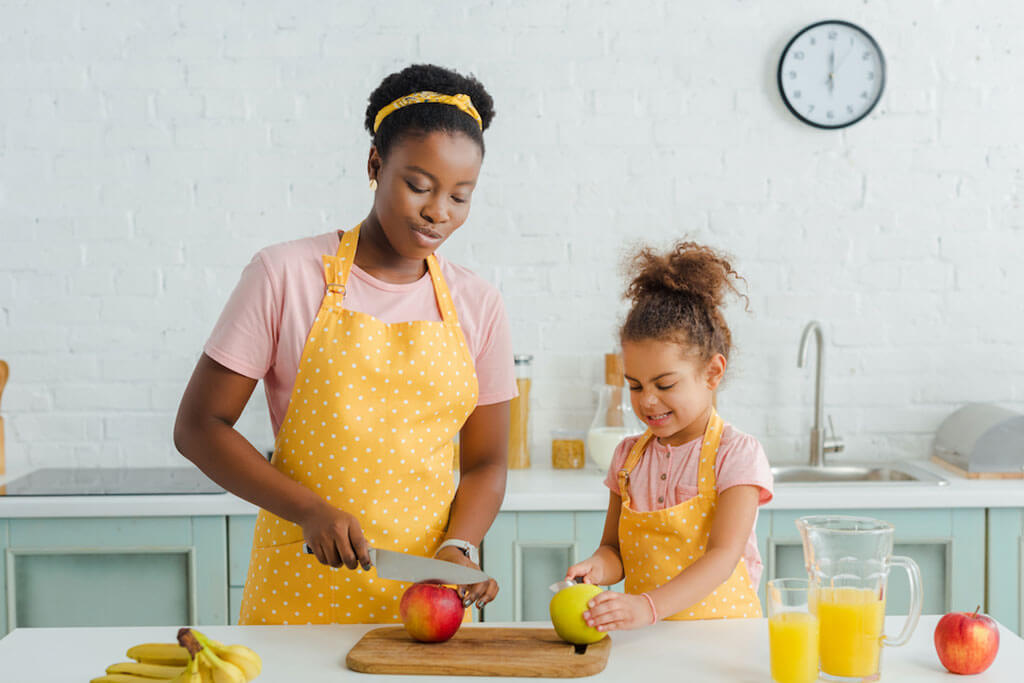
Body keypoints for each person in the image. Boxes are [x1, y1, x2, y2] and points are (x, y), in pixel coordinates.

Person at [173, 64, 515, 625]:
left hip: (425, 593)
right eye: (419, 186)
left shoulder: (479, 303)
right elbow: (198, 427)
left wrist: (463, 546)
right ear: (376, 165)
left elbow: (486, 462)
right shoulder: (284, 275)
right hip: (301, 586)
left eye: (461, 195)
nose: (438, 212)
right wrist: (309, 511)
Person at [565, 241, 773, 630]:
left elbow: (723, 556)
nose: (648, 401)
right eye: (635, 385)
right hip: (650, 642)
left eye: (664, 384)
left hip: (726, 642)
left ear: (712, 373)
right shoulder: (627, 458)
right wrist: (598, 567)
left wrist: (646, 606)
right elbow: (615, 551)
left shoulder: (735, 454)